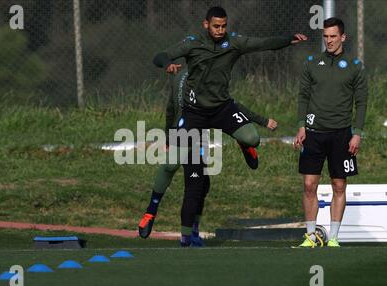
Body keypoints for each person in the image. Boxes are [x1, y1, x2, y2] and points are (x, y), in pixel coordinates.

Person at [151, 6, 306, 246]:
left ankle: (243, 144)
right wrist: (167, 64)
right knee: (182, 167)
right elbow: (161, 55)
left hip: (222, 109)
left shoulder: (233, 42)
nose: (220, 30)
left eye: (224, 26)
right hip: (196, 114)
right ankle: (182, 231)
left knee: (252, 138)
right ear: (206, 25)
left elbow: (262, 43)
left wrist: (288, 39)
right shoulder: (192, 44)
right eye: (216, 26)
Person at [138, 66, 278, 242]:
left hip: (197, 132)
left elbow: (230, 105)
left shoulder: (210, 74)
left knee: (199, 183)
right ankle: (153, 212)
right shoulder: (180, 75)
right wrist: (168, 137)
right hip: (182, 131)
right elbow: (170, 107)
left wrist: (259, 121)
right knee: (178, 172)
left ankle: (189, 237)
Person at [293, 18, 368, 248]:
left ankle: (334, 238)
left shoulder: (355, 66)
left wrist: (357, 133)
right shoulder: (312, 63)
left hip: (342, 134)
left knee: (338, 186)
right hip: (314, 133)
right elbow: (303, 96)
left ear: (343, 37)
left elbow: (362, 102)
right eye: (325, 36)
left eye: (333, 36)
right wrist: (301, 125)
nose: (329, 41)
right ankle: (310, 236)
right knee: (308, 185)